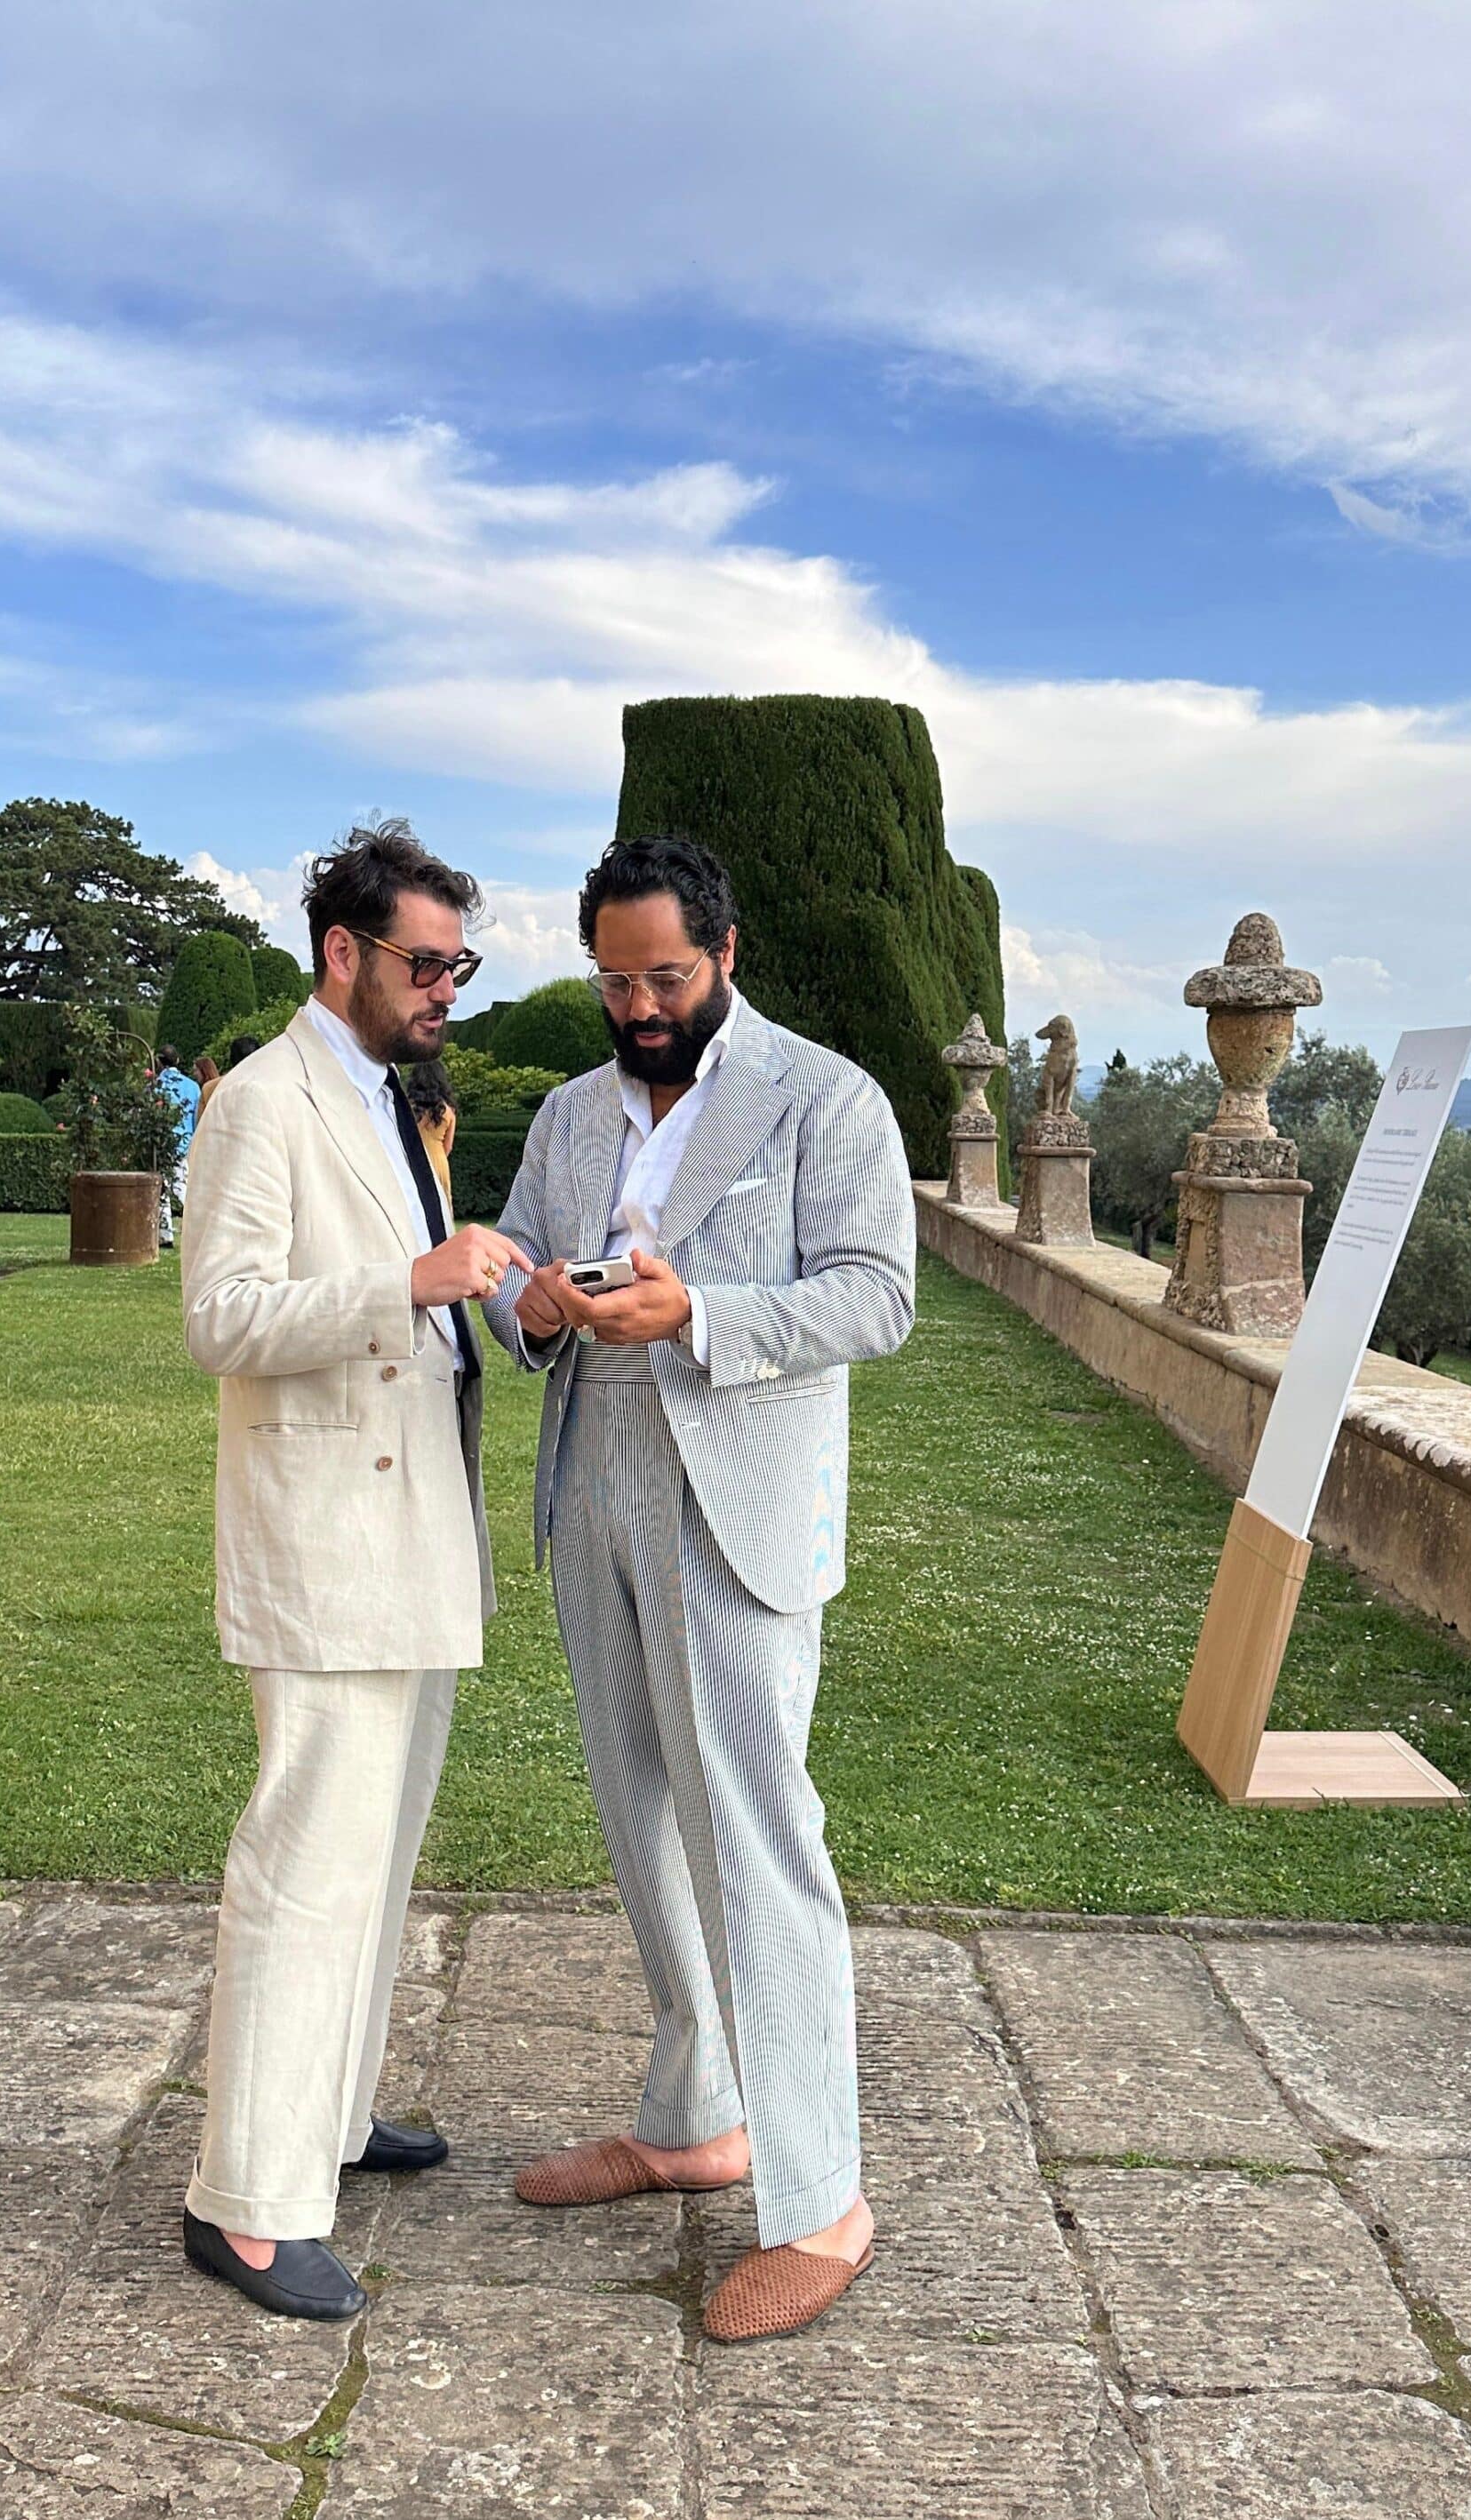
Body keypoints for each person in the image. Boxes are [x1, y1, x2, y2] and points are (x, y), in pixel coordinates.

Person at [482, 833, 915, 2342]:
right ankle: (694, 2121)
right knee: (638, 1813)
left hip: (733, 1487)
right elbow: (515, 1258)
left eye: (666, 977)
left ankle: (823, 2203)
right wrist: (536, 1302)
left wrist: (701, 1314)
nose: (641, 1007)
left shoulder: (826, 1096)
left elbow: (878, 1293)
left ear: (726, 953)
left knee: (756, 1833)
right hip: (592, 1468)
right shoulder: (568, 1109)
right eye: (615, 982)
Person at [178, 820, 530, 2323]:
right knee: (305, 1864)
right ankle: (247, 2204)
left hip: (413, 1537)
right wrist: (408, 1280)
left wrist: (494, 1291)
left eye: (460, 962)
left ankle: (324, 2116)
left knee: (374, 1863)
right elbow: (222, 1316)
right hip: (325, 1544)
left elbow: (417, 1300)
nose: (447, 985)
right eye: (426, 961)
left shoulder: (387, 1099)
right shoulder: (262, 1102)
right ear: (344, 951)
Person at [155, 1056, 202, 1247]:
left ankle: (165, 1234)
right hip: (185, 1142)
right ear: (178, 1059)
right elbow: (196, 1117)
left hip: (162, 1142)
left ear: (159, 1062)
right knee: (182, 1187)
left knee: (162, 1190)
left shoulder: (156, 1085)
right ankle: (197, 1226)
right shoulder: (192, 1086)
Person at [404, 1055, 458, 1208]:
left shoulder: (407, 1108)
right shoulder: (449, 1111)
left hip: (413, 1161)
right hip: (439, 1161)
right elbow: (448, 1146)